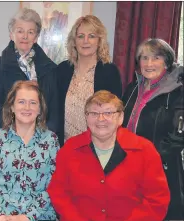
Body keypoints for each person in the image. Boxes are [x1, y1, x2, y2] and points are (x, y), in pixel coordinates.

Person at [47, 90, 170, 221]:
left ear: (121, 117)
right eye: (94, 113)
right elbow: (58, 192)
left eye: (108, 113)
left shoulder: (145, 150)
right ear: (86, 117)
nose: (101, 119)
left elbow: (157, 200)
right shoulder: (70, 149)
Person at [122, 38, 184, 220]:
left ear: (166, 61)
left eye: (155, 58)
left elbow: (178, 136)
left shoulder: (177, 91)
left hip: (161, 169)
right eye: (144, 58)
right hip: (128, 166)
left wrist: (149, 158)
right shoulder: (134, 87)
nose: (149, 64)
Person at [0, 81, 59, 221]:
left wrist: (27, 217)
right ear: (12, 106)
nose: (27, 107)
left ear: (40, 109)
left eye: (33, 103)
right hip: (0, 216)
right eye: (21, 102)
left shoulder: (51, 140)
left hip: (39, 216)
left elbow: (54, 184)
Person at [0, 8, 60, 140]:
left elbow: (55, 113)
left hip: (42, 143)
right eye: (20, 31)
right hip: (7, 141)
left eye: (30, 32)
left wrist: (41, 137)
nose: (25, 36)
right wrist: (18, 136)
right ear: (11, 35)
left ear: (36, 37)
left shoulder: (50, 68)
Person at [56, 15, 122, 144]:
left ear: (99, 41)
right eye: (80, 36)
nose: (85, 41)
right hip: (64, 147)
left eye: (91, 36)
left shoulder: (109, 71)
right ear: (74, 41)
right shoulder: (62, 70)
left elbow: (115, 113)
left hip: (97, 147)